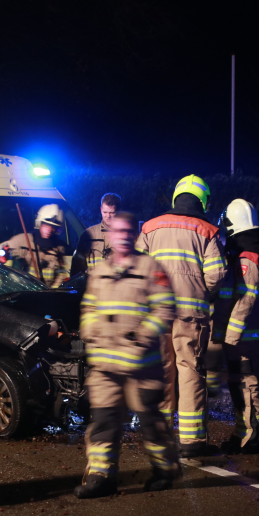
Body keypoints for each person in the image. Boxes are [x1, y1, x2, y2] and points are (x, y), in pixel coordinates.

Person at [76, 211, 179, 498]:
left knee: (152, 425)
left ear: (135, 235)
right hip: (105, 368)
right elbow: (89, 310)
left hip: (142, 368)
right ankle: (101, 477)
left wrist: (141, 335)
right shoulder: (99, 272)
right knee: (103, 424)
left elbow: (164, 310)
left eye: (127, 231)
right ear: (108, 235)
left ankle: (165, 469)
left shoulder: (150, 268)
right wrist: (90, 333)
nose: (122, 236)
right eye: (116, 231)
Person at [136, 175, 228, 457]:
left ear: (176, 197)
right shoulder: (207, 230)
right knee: (189, 371)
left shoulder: (150, 227)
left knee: (161, 372)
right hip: (190, 314)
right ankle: (191, 441)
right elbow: (216, 275)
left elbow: (135, 268)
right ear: (203, 201)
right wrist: (203, 292)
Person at [213, 199, 259, 453]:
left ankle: (249, 437)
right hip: (253, 334)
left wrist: (231, 335)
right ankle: (254, 432)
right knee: (246, 382)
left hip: (245, 337)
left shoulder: (247, 258)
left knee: (245, 384)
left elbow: (246, 299)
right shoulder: (257, 252)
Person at [0, 204, 68, 287]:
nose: (49, 229)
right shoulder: (22, 240)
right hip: (20, 292)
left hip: (44, 295)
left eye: (53, 227)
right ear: (39, 223)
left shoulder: (59, 248)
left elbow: (60, 274)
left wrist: (53, 291)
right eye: (46, 224)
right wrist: (3, 256)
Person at [71, 192, 121, 276]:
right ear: (101, 209)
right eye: (105, 212)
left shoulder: (126, 235)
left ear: (119, 211)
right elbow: (77, 268)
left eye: (112, 212)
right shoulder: (89, 235)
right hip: (94, 286)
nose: (108, 216)